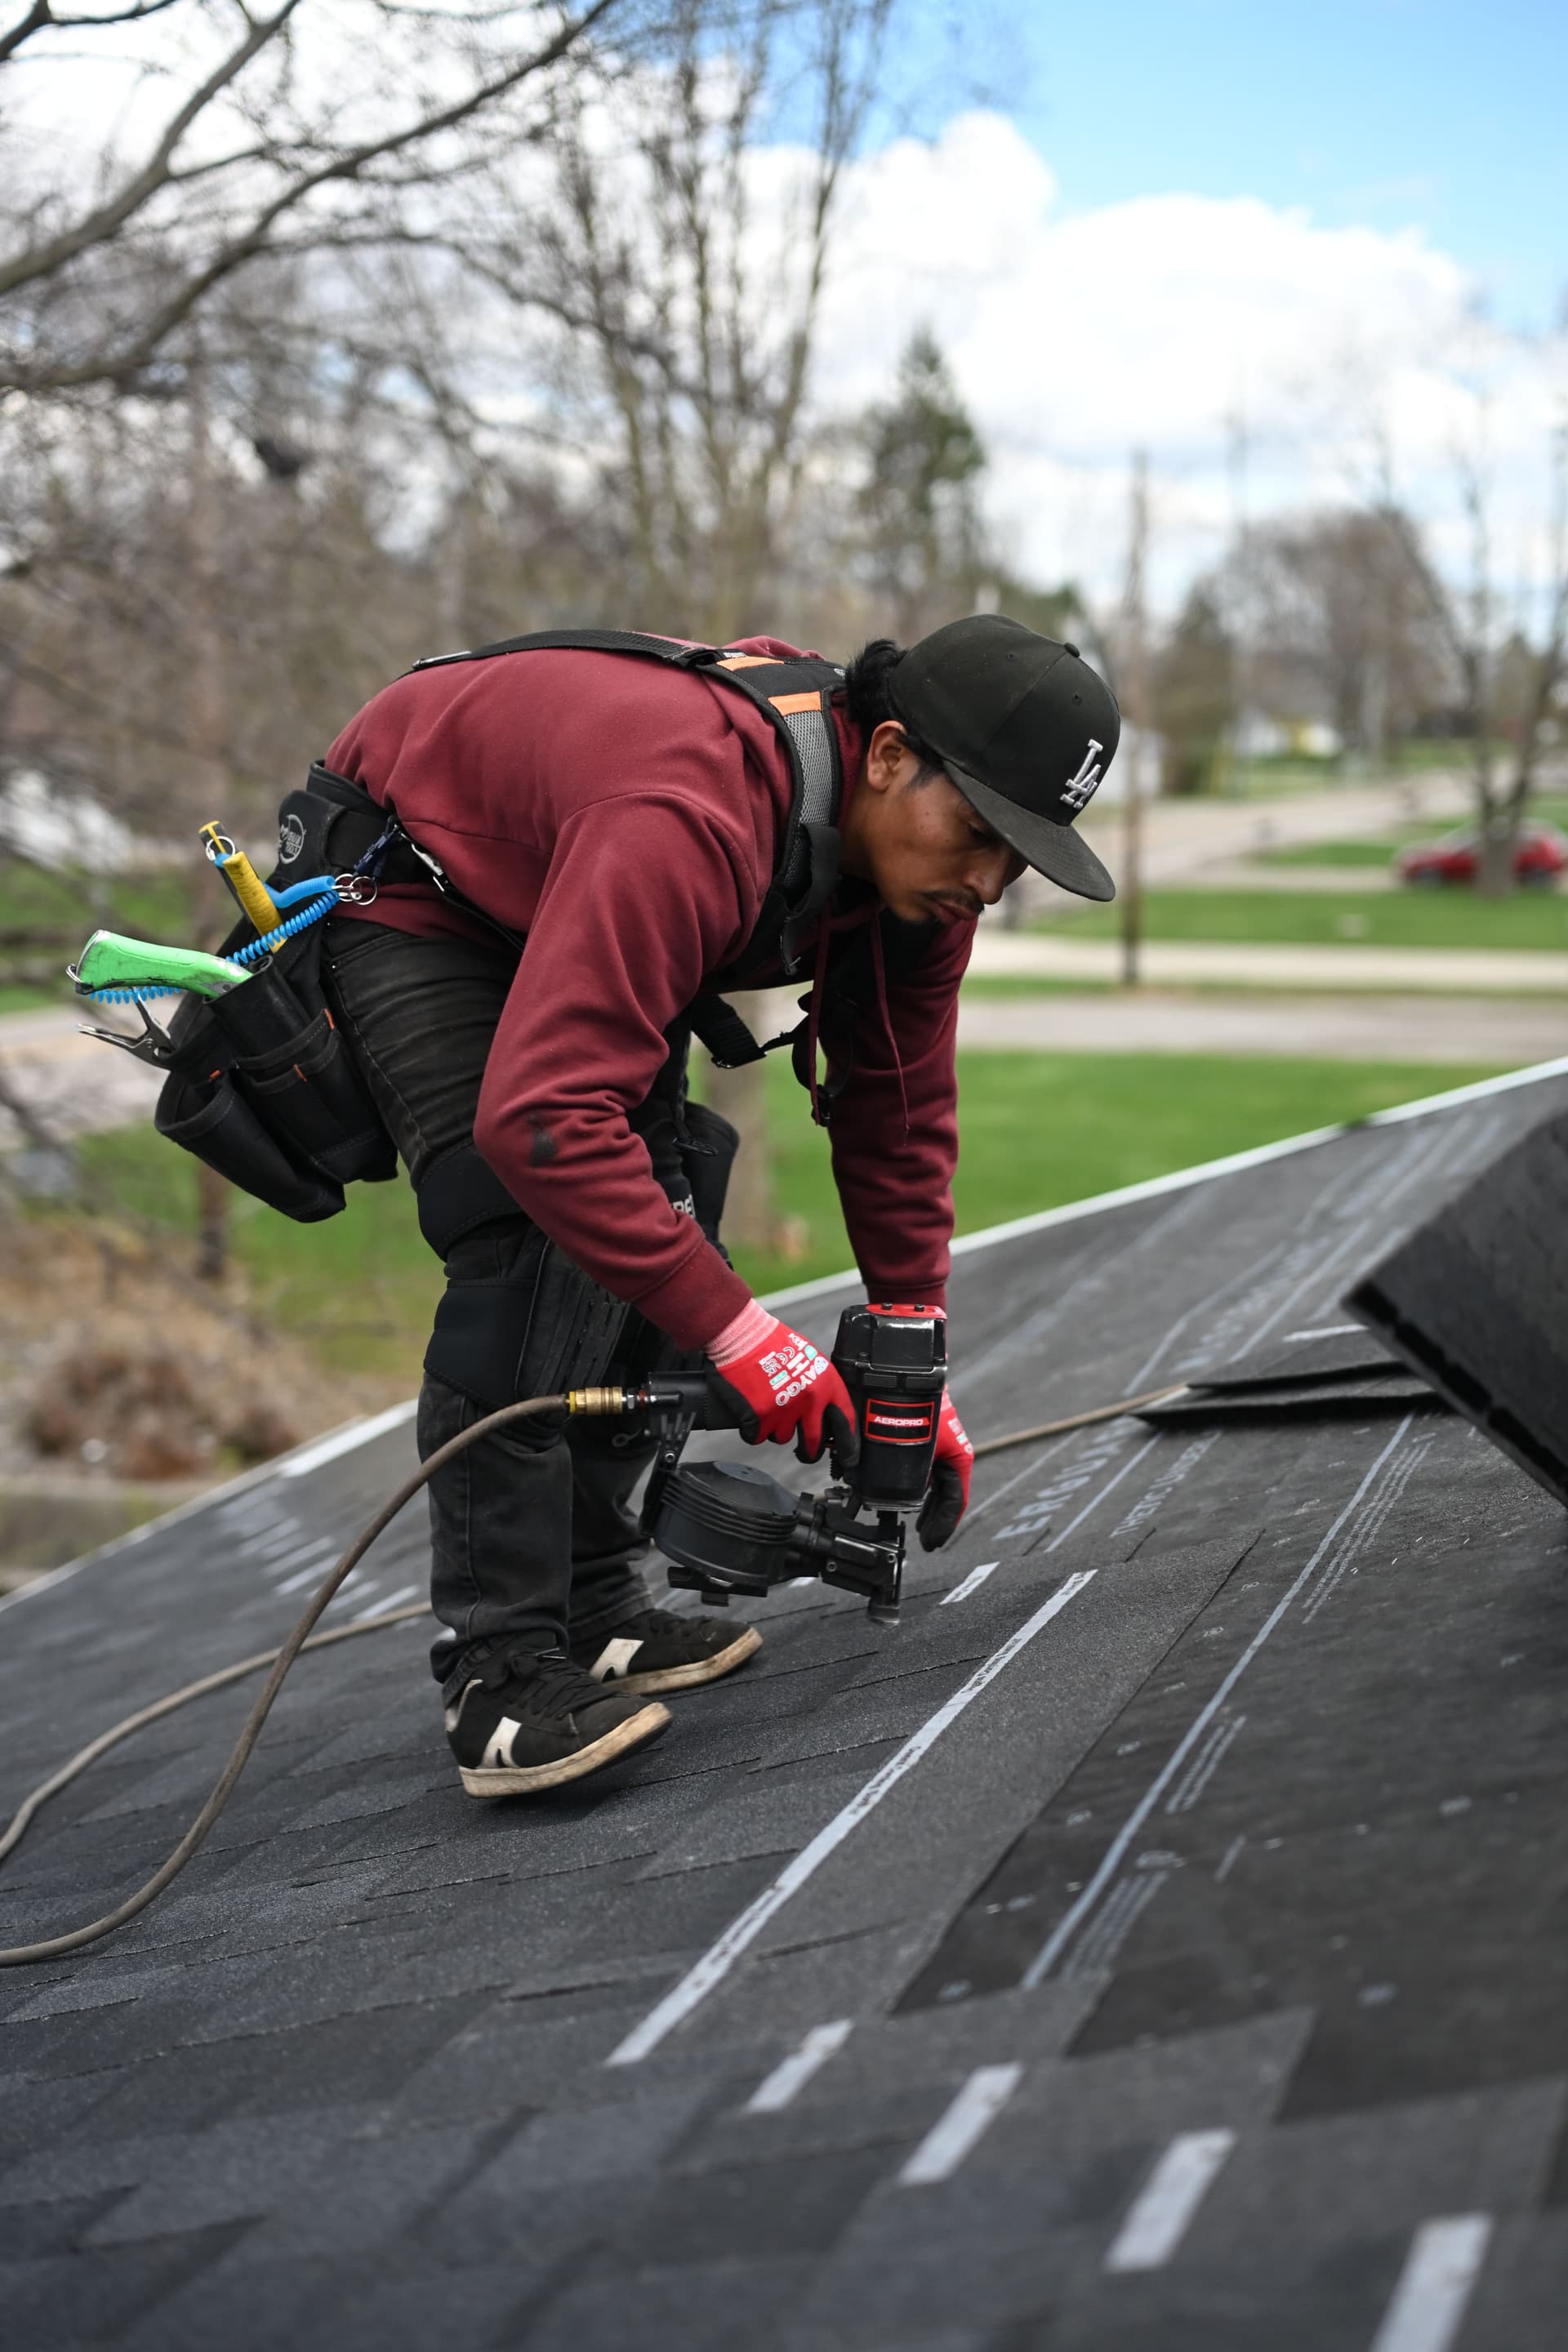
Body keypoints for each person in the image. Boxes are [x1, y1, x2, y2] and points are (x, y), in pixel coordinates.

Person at [308, 614, 1119, 1797]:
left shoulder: (918, 887)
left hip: (573, 872)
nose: (991, 883)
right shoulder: (691, 809)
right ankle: (499, 1672)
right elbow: (544, 1119)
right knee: (533, 1228)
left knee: (669, 1194)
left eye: (1024, 857)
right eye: (983, 832)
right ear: (889, 755)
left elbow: (897, 1115)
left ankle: (595, 1608)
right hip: (417, 885)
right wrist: (747, 1338)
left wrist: (912, 1357)